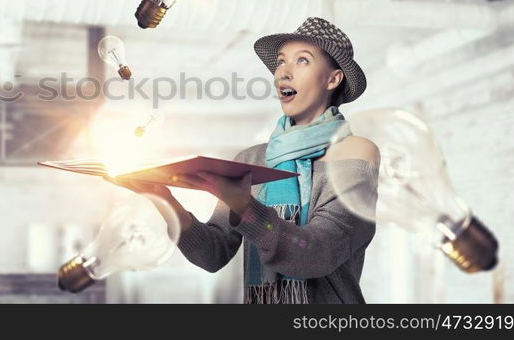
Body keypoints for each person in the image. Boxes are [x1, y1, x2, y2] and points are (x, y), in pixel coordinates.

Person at [109, 16, 380, 304]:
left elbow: (315, 253)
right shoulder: (252, 158)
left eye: (302, 61)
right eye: (280, 61)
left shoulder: (356, 152)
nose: (282, 73)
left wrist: (244, 207)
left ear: (333, 78)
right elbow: (212, 254)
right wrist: (161, 197)